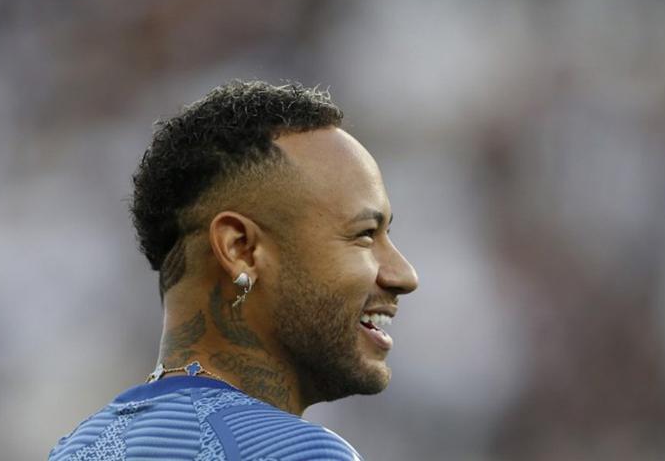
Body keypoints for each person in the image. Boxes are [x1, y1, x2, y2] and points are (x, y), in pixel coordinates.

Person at [49, 80, 418, 460]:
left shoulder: (75, 449)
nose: (404, 275)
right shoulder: (301, 454)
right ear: (239, 248)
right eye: (364, 235)